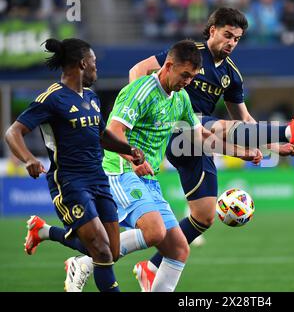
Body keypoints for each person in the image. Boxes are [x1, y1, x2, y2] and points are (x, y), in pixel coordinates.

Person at [127, 7, 294, 291]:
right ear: (212, 29)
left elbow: (245, 121)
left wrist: (276, 147)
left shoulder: (231, 74)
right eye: (227, 35)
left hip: (197, 142)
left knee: (203, 217)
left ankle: (149, 266)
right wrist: (143, 106)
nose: (231, 43)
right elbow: (138, 70)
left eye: (237, 39)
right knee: (214, 125)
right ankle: (288, 128)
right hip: (177, 129)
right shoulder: (190, 54)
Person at [60, 39, 262, 292]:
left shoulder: (180, 99)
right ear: (168, 66)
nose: (187, 82)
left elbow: (200, 136)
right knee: (154, 232)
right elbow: (112, 132)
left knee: (179, 249)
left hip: (147, 178)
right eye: (184, 75)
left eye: (192, 77)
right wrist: (133, 158)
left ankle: (84, 260)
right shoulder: (142, 90)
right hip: (119, 170)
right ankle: (86, 262)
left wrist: (239, 153)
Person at [4, 38, 145, 292]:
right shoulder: (52, 98)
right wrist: (29, 159)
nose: (96, 69)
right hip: (70, 182)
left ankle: (44, 231)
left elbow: (101, 136)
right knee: (100, 250)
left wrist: (129, 150)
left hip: (99, 179)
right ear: (82, 64)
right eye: (94, 63)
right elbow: (13, 132)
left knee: (110, 252)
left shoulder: (91, 98)